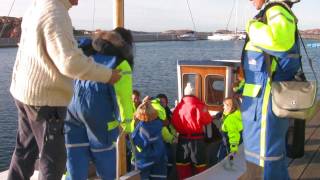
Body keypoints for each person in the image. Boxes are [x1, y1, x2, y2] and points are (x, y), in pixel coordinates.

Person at [7, 0, 121, 179]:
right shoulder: (56, 13)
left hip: (24, 92)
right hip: (44, 100)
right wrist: (108, 75)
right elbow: (70, 63)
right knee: (53, 161)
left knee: (25, 152)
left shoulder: (37, 6)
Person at [240, 0, 302, 179]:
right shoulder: (270, 13)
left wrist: (251, 26)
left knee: (265, 160)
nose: (250, 1)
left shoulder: (275, 10)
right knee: (267, 158)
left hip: (264, 105)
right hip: (259, 105)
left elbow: (279, 42)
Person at [64, 28, 134, 180]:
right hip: (98, 112)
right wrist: (128, 125)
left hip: (70, 109)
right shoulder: (120, 63)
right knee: (104, 154)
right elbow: (123, 98)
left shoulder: (85, 53)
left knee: (75, 152)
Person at [172, 83, 212, 180]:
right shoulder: (200, 106)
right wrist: (209, 137)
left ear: (185, 94)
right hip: (197, 140)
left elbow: (174, 122)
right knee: (200, 164)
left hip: (182, 139)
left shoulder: (179, 107)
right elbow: (208, 121)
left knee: (182, 164)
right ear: (194, 94)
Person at [131, 96, 167, 179]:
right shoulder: (159, 124)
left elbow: (133, 141)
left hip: (143, 162)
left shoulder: (139, 127)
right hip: (159, 160)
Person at [156, 94, 177, 178]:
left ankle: (168, 175)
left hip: (169, 139)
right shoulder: (157, 113)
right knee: (166, 160)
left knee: (170, 160)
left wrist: (174, 134)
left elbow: (171, 125)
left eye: (163, 102)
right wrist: (172, 138)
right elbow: (163, 130)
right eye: (160, 102)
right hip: (161, 141)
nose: (162, 104)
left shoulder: (168, 112)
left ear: (167, 103)